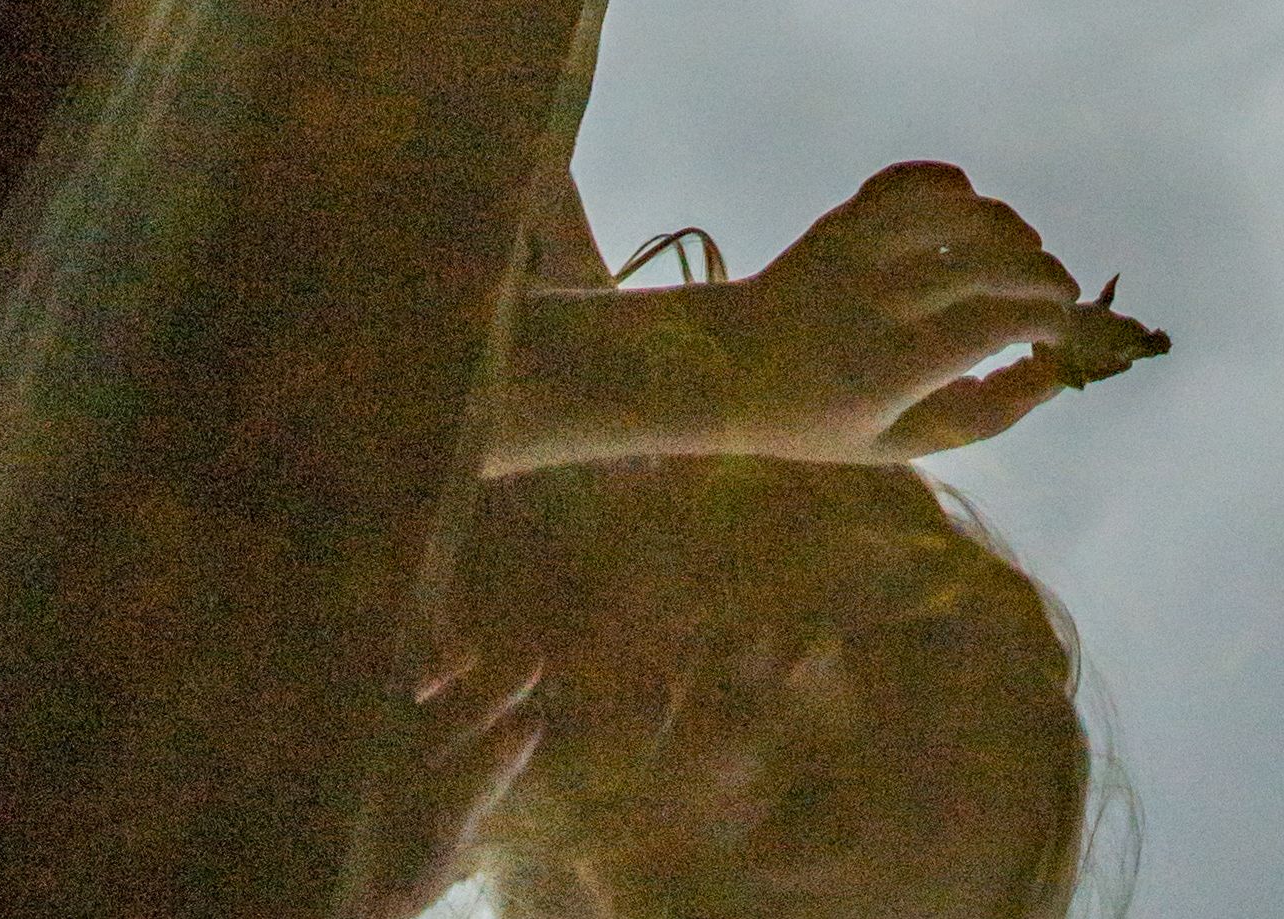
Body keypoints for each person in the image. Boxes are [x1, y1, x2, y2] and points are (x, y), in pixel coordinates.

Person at [377, 160, 1156, 918]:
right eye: (898, 652)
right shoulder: (525, 226)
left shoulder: (317, 815)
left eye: (802, 804)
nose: (809, 666)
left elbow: (285, 416)